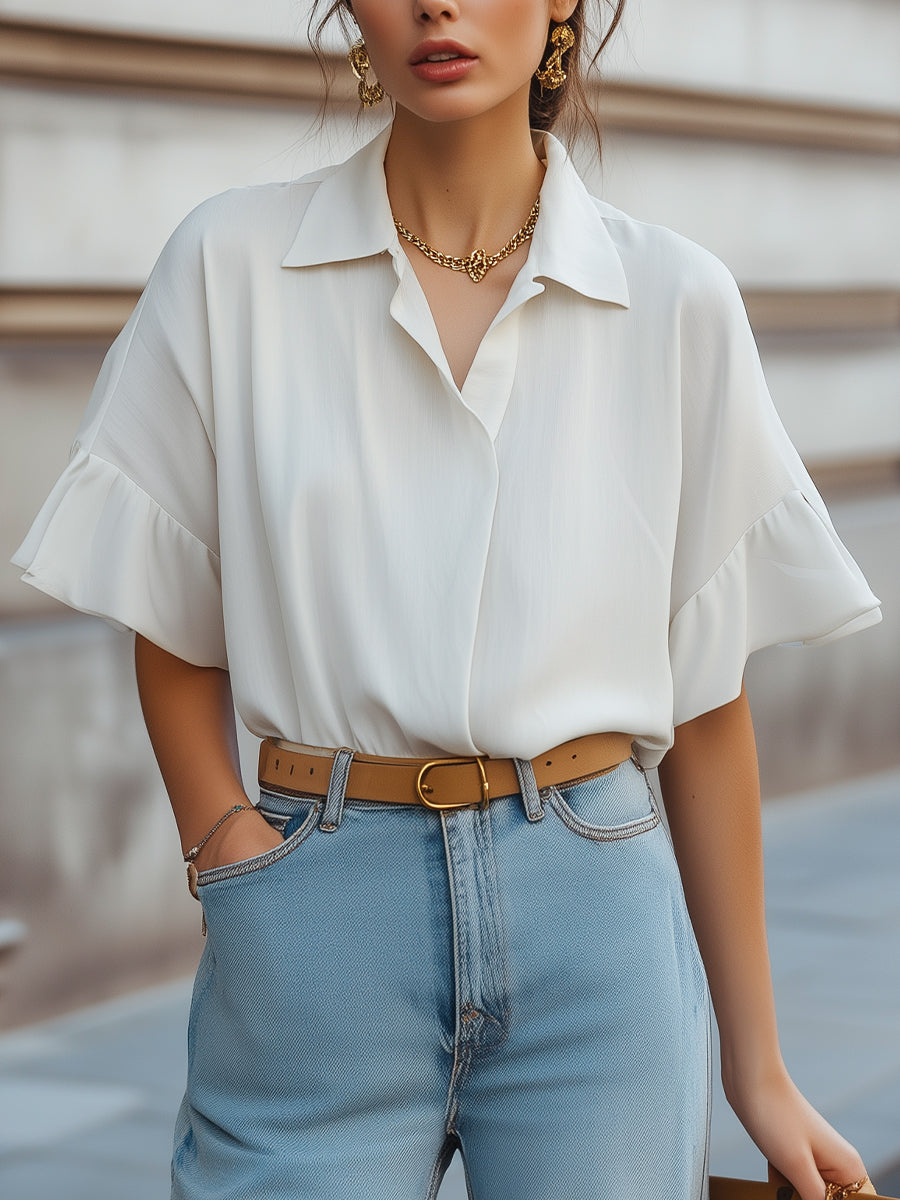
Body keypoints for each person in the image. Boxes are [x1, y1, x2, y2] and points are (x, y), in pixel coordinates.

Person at [12, 2, 884, 1198]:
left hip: (596, 915)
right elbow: (169, 600)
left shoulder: (675, 298)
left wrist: (760, 1066)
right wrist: (227, 847)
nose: (437, 5)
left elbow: (706, 695)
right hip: (317, 907)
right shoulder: (228, 265)